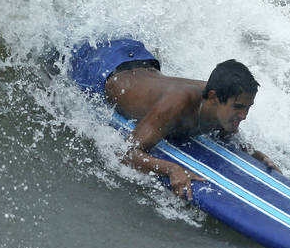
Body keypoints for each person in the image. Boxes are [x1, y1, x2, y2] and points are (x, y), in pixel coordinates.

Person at [69, 38, 276, 201]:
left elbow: (229, 138)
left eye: (248, 108)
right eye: (239, 108)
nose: (244, 115)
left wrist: (258, 156)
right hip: (103, 65)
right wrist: (172, 169)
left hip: (141, 58)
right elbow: (126, 152)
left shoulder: (222, 108)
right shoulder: (178, 104)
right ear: (213, 98)